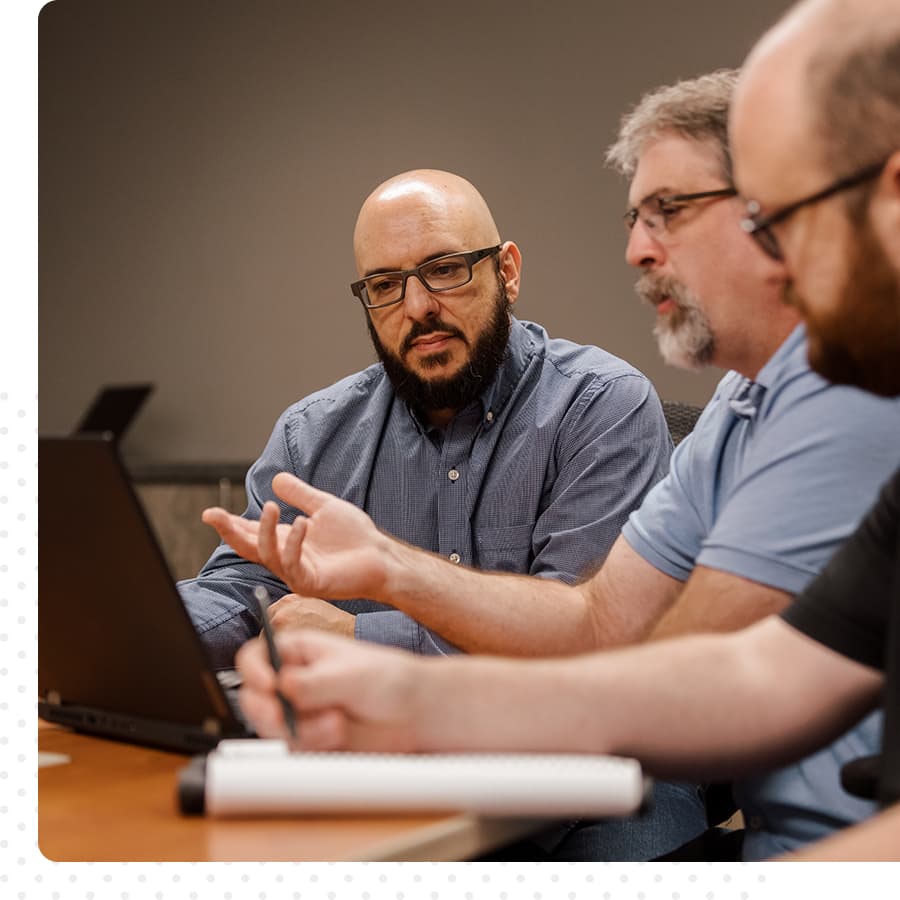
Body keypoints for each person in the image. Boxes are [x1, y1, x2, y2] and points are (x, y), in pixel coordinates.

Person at [228, 0, 900, 860]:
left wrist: (401, 675)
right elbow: (675, 654)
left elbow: (705, 678)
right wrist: (398, 627)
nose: (637, 252)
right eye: (636, 218)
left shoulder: (842, 384)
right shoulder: (750, 403)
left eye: (675, 209)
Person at [180, 169, 693, 859]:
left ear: (506, 271)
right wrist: (131, 626)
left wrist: (359, 636)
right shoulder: (314, 434)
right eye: (385, 285)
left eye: (445, 270)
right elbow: (245, 589)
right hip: (389, 766)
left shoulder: (601, 406)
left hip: (597, 772)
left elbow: (582, 631)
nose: (417, 305)